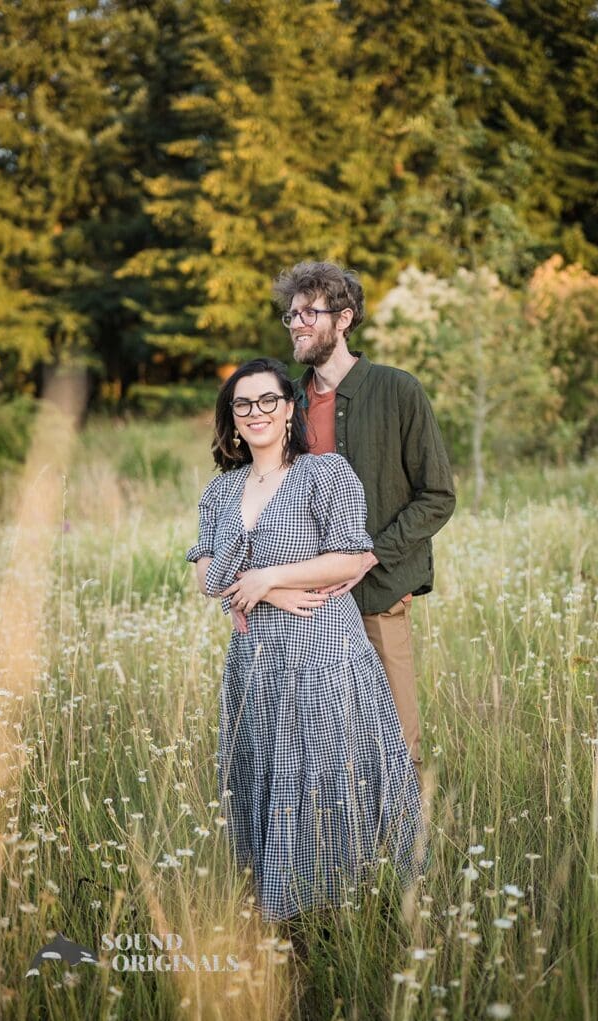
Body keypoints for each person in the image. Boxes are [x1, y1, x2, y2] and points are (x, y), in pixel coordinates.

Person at [186, 357, 427, 923]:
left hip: (323, 649)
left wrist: (272, 576)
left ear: (290, 407)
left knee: (327, 770)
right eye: (242, 405)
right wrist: (259, 590)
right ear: (232, 419)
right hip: (256, 660)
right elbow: (204, 577)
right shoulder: (220, 492)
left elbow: (352, 557)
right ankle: (281, 906)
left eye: (268, 400)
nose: (255, 413)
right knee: (268, 773)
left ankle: (350, 903)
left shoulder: (325, 474)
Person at [270, 262, 456, 787]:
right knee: (316, 750)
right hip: (304, 604)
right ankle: (335, 858)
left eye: (310, 313)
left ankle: (407, 864)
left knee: (396, 744)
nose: (297, 324)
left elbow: (438, 496)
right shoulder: (286, 404)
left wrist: (369, 554)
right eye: (291, 315)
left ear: (345, 318)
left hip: (377, 595)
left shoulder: (398, 391)